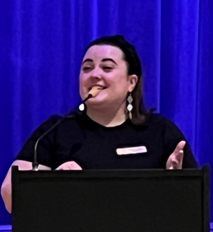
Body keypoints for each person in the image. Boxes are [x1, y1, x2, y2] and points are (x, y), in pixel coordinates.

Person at [1, 35, 197, 213]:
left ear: (131, 82)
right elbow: (11, 197)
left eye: (107, 67)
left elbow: (194, 205)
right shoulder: (56, 130)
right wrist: (53, 182)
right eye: (87, 68)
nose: (94, 74)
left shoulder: (159, 131)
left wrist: (176, 184)